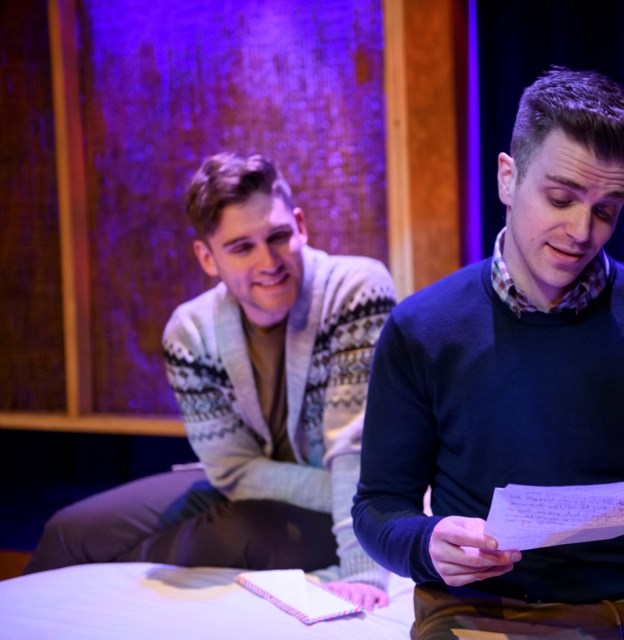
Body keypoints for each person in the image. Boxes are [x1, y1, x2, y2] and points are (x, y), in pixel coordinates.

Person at [352, 67, 624, 636]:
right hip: (481, 606)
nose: (582, 232)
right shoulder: (422, 329)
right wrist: (427, 545)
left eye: (606, 209)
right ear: (508, 178)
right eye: (561, 198)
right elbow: (379, 505)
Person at [25, 152, 397, 610]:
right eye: (242, 247)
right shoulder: (190, 333)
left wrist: (365, 572)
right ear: (206, 256)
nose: (268, 261)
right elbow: (232, 469)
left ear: (300, 226)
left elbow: (352, 448)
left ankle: (109, 581)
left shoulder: (356, 290)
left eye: (278, 236)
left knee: (229, 535)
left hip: (352, 497)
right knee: (70, 528)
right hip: (252, 484)